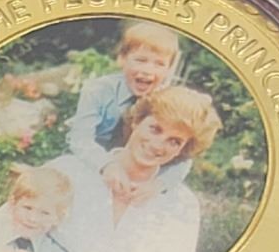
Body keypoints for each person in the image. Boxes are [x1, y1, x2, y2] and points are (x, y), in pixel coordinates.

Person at [53, 85, 222, 252]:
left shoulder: (181, 204)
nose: (158, 145)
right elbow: (18, 238)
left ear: (183, 150)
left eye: (174, 141)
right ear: (136, 122)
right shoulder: (67, 172)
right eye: (155, 129)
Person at [66, 21, 191, 202]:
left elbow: (185, 156)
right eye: (141, 60)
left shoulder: (168, 101)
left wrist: (159, 184)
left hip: (141, 176)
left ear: (168, 70)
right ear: (122, 59)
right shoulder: (98, 90)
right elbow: (80, 139)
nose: (147, 70)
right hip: (93, 163)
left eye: (159, 64)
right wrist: (106, 165)